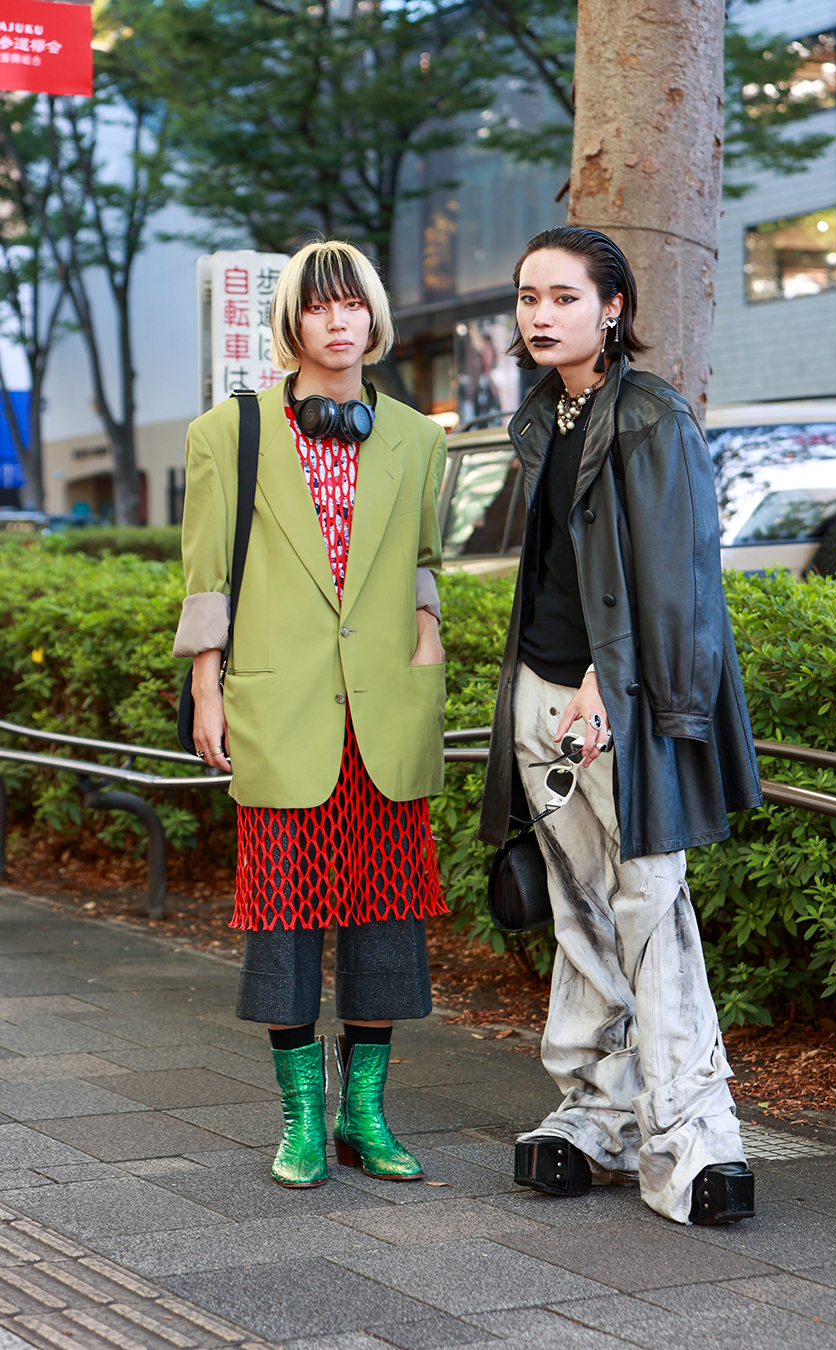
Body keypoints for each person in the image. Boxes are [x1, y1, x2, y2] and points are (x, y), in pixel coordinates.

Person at [478, 226, 763, 1226]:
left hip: (617, 700)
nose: (541, 314)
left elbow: (682, 576)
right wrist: (551, 688)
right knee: (580, 904)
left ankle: (694, 1135)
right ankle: (596, 1111)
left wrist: (613, 683)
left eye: (564, 297)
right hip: (539, 691)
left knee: (651, 899)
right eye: (529, 298)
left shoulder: (652, 414)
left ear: (613, 307)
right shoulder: (544, 415)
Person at [173, 239, 449, 1188]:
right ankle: (300, 1118)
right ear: (291, 321)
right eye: (321, 305)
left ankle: (364, 1114)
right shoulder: (229, 432)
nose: (340, 321)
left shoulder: (416, 436)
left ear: (375, 316)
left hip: (384, 710)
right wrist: (207, 687)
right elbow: (207, 578)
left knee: (386, 918)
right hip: (281, 705)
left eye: (355, 303)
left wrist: (427, 637)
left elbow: (423, 561)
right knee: (283, 919)